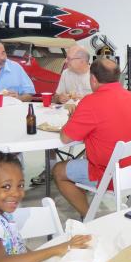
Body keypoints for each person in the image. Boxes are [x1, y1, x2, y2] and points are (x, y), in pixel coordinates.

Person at [0, 151, 90, 262]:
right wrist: (56, 249)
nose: (16, 193)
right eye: (6, 186)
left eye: (20, 185)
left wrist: (43, 259)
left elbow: (16, 246)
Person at [52, 57, 131, 218]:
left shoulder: (91, 102)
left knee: (58, 171)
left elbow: (65, 137)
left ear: (93, 79)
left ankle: (90, 216)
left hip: (111, 175)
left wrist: (72, 118)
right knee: (92, 154)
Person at [30, 45, 91, 186]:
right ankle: (50, 167)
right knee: (46, 125)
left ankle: (86, 172)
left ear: (82, 61)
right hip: (66, 115)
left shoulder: (94, 75)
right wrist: (59, 98)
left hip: (87, 118)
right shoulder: (66, 73)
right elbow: (56, 98)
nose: (65, 61)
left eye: (69, 59)